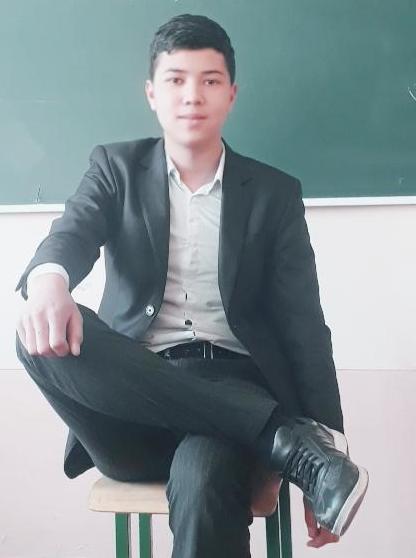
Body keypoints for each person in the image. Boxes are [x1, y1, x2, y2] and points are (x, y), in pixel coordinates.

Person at [15, 13, 368, 557]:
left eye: (209, 80)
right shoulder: (115, 168)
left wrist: (329, 451)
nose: (192, 96)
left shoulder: (273, 194)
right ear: (152, 93)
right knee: (36, 331)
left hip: (229, 397)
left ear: (231, 94)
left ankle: (293, 444)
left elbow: (304, 328)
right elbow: (73, 232)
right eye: (176, 80)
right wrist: (47, 283)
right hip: (132, 404)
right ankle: (283, 439)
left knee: (205, 481)